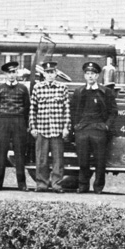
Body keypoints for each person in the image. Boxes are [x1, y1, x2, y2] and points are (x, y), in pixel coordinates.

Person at [71, 61, 118, 194]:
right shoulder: (79, 92)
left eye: (93, 74)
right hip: (83, 129)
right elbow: (73, 110)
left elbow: (113, 111)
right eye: (88, 73)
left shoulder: (106, 92)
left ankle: (98, 187)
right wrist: (76, 126)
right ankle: (83, 186)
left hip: (99, 130)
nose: (90, 76)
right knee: (83, 160)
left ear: (97, 76)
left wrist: (106, 126)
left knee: (100, 161)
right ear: (84, 75)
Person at [29, 61, 71, 193]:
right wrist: (33, 127)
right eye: (47, 73)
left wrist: (66, 127)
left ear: (56, 73)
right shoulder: (38, 87)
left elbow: (67, 109)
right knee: (41, 159)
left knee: (58, 159)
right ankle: (41, 184)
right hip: (42, 128)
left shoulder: (62, 88)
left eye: (52, 72)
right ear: (44, 74)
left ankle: (57, 184)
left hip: (57, 130)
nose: (50, 75)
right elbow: (32, 109)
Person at [0, 61, 30, 191]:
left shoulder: (23, 88)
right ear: (5, 74)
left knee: (20, 153)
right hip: (4, 121)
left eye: (14, 72)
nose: (11, 75)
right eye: (9, 72)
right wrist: (4, 116)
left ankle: (22, 184)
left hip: (19, 121)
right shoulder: (0, 88)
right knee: (1, 153)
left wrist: (21, 120)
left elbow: (27, 107)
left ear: (17, 73)